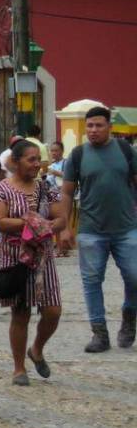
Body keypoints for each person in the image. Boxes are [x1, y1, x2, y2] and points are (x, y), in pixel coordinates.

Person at [60, 105, 137, 352]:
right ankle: (99, 333)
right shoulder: (78, 155)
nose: (93, 130)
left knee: (134, 276)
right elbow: (67, 193)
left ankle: (129, 315)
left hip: (127, 228)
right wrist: (64, 228)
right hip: (91, 230)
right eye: (90, 126)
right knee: (92, 281)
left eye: (99, 125)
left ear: (109, 127)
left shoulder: (126, 150)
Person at [0, 139, 65, 385]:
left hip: (43, 257)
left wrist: (50, 226)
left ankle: (37, 349)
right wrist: (31, 222)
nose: (36, 164)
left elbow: (60, 217)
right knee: (20, 313)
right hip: (15, 258)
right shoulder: (1, 189)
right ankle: (19, 368)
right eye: (31, 159)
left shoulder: (45, 187)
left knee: (53, 311)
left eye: (38, 160)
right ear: (15, 162)